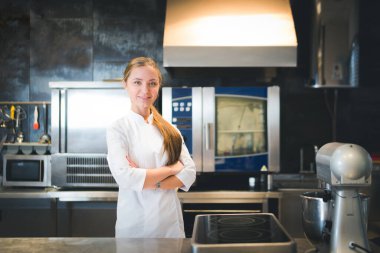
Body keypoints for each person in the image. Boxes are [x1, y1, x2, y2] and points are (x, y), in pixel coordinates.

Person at [106, 56, 196, 238]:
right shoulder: (118, 129)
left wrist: (148, 179)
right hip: (135, 229)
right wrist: (171, 169)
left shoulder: (170, 130)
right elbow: (126, 177)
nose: (145, 90)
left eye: (152, 83)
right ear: (126, 84)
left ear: (158, 87)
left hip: (169, 229)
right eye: (137, 82)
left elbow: (190, 173)